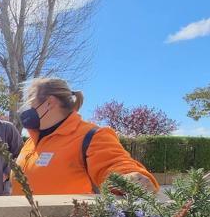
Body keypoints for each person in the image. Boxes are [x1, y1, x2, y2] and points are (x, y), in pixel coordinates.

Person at [12, 78, 158, 195]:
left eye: (31, 105)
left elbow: (115, 165)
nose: (27, 111)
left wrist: (130, 179)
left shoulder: (91, 136)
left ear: (49, 103)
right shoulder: (32, 141)